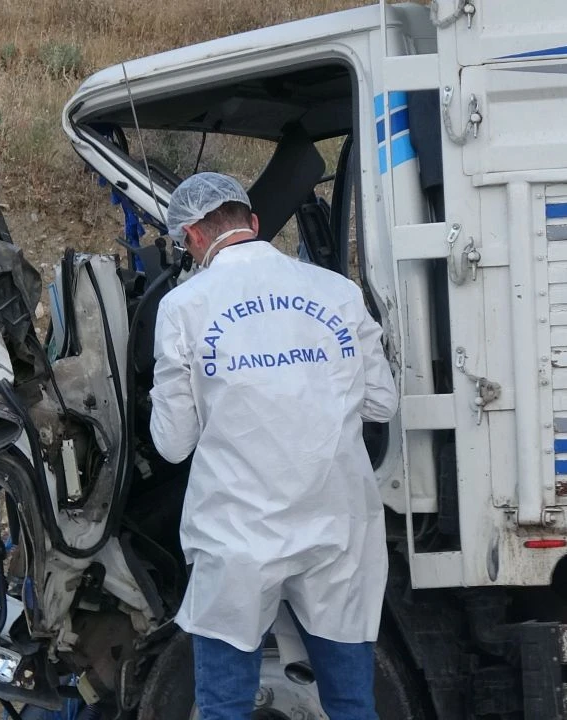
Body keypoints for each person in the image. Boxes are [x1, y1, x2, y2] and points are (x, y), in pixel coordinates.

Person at [148, 172, 399, 720]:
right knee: (353, 705)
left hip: (238, 539)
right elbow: (382, 404)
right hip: (336, 530)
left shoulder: (184, 306)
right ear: (254, 222)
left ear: (192, 236)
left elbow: (172, 444)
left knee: (224, 708)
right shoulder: (337, 291)